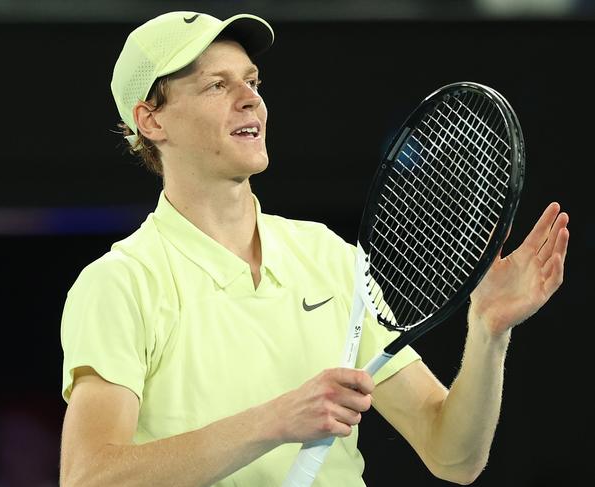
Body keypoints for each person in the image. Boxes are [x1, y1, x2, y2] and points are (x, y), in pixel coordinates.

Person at [58, 11, 570, 487]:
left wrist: (486, 333)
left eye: (252, 82)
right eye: (217, 85)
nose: (250, 98)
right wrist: (275, 420)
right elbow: (88, 475)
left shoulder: (327, 256)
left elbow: (453, 456)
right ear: (151, 121)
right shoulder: (121, 282)